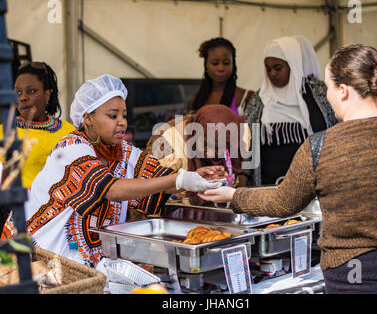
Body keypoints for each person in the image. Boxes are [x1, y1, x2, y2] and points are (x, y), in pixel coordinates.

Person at [199, 44, 377, 294]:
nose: (328, 95)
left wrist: (233, 196)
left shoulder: (320, 146)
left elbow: (282, 204)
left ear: (343, 91)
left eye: (329, 86)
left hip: (350, 278)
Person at [1, 74, 225, 267]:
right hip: (34, 253)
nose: (121, 122)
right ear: (88, 118)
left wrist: (197, 177)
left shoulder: (123, 152)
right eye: (112, 115)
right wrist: (179, 180)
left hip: (82, 259)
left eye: (124, 115)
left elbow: (160, 180)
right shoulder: (72, 147)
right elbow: (111, 189)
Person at [243, 35, 338, 186]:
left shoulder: (319, 93)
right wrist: (245, 175)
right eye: (268, 69)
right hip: (267, 187)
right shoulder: (260, 98)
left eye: (278, 68)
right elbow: (246, 141)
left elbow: (336, 130)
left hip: (311, 186)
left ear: (293, 65)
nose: (272, 73)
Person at [0, 61, 74, 232]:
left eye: (31, 91)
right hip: (15, 218)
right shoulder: (4, 133)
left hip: (58, 219)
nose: (23, 97)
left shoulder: (68, 132)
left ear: (47, 95)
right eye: (18, 92)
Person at [146, 104, 249, 206]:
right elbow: (153, 189)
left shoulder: (235, 142)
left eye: (219, 148)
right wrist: (186, 181)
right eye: (205, 144)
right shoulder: (170, 146)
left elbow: (242, 176)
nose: (211, 153)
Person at [188, 37, 254, 117]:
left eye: (226, 63)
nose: (221, 68)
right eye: (215, 63)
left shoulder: (247, 97)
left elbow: (255, 128)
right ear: (206, 65)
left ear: (233, 64)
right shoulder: (196, 101)